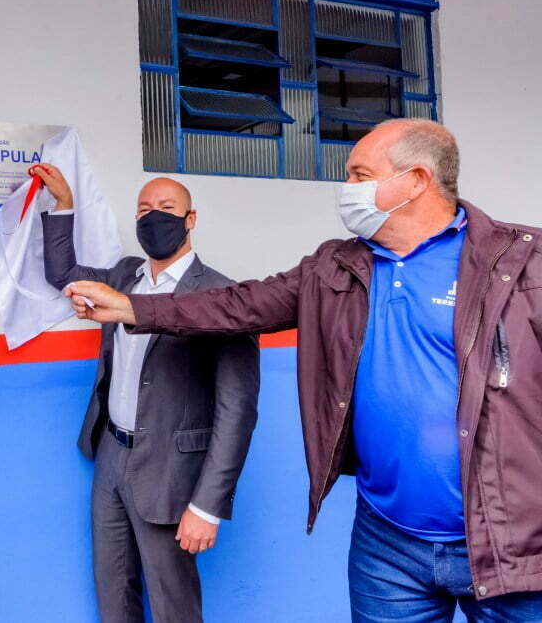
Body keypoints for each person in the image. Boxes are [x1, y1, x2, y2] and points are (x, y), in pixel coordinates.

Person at [63, 118, 542, 622]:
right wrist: (133, 309)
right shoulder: (335, 268)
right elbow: (238, 305)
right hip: (388, 544)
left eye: (360, 175)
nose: (347, 189)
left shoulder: (523, 263)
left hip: (510, 541)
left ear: (417, 180)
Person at [33, 165, 259, 622]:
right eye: (144, 210)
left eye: (167, 209)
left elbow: (237, 410)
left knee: (172, 601)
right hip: (112, 455)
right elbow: (64, 273)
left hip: (172, 472)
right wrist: (63, 205)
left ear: (190, 219)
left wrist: (208, 505)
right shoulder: (123, 276)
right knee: (113, 592)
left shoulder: (221, 294)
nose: (153, 217)